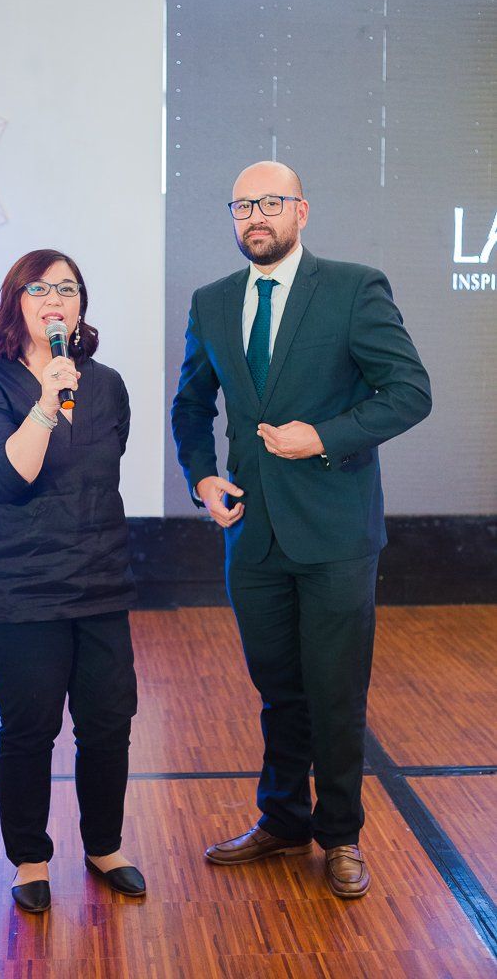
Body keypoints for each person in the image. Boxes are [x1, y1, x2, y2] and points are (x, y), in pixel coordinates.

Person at [172, 161, 432, 898]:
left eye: (270, 202)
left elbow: (409, 392)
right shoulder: (213, 301)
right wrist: (202, 478)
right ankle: (283, 819)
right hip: (251, 536)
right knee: (278, 689)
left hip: (335, 536)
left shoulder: (353, 288)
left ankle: (341, 834)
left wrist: (321, 436)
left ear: (301, 211)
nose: (255, 216)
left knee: (335, 693)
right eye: (242, 206)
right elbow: (190, 406)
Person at [0, 249, 145, 913]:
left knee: (108, 724)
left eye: (66, 289)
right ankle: (31, 859)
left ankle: (104, 847)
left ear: (81, 306)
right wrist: (44, 403)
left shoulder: (107, 385)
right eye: (37, 289)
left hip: (99, 583)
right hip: (19, 589)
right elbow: (7, 481)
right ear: (15, 304)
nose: (54, 300)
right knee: (30, 730)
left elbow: (98, 475)